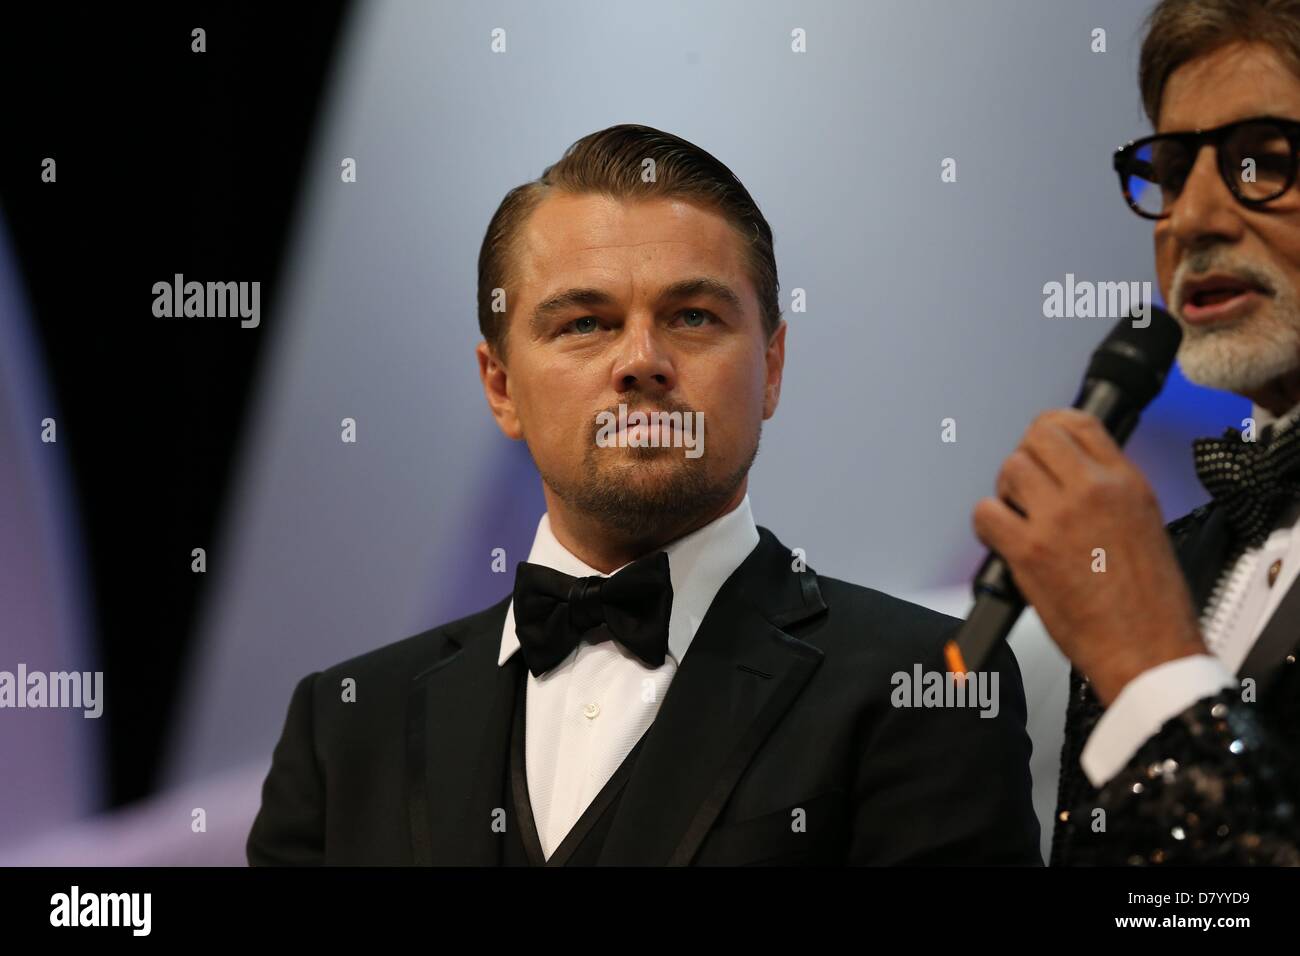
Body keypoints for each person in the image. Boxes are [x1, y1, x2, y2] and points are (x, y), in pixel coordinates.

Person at [247, 123, 1040, 865]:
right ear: (501, 387)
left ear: (771, 367)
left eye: (693, 316)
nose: (642, 360)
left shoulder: (928, 686)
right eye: (585, 323)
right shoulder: (344, 723)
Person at [978, 0, 1300, 865]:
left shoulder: (1134, 611)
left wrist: (1149, 662)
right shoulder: (1169, 561)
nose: (1189, 220)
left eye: (1263, 162)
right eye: (1169, 170)